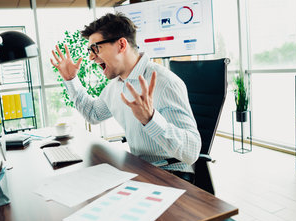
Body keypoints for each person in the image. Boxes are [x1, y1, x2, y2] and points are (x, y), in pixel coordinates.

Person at [50, 13, 201, 184]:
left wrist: (150, 119)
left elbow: (191, 151)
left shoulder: (165, 83)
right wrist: (71, 80)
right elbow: (92, 114)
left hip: (172, 173)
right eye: (89, 51)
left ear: (121, 44)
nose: (91, 57)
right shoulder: (116, 85)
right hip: (139, 168)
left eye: (96, 48)